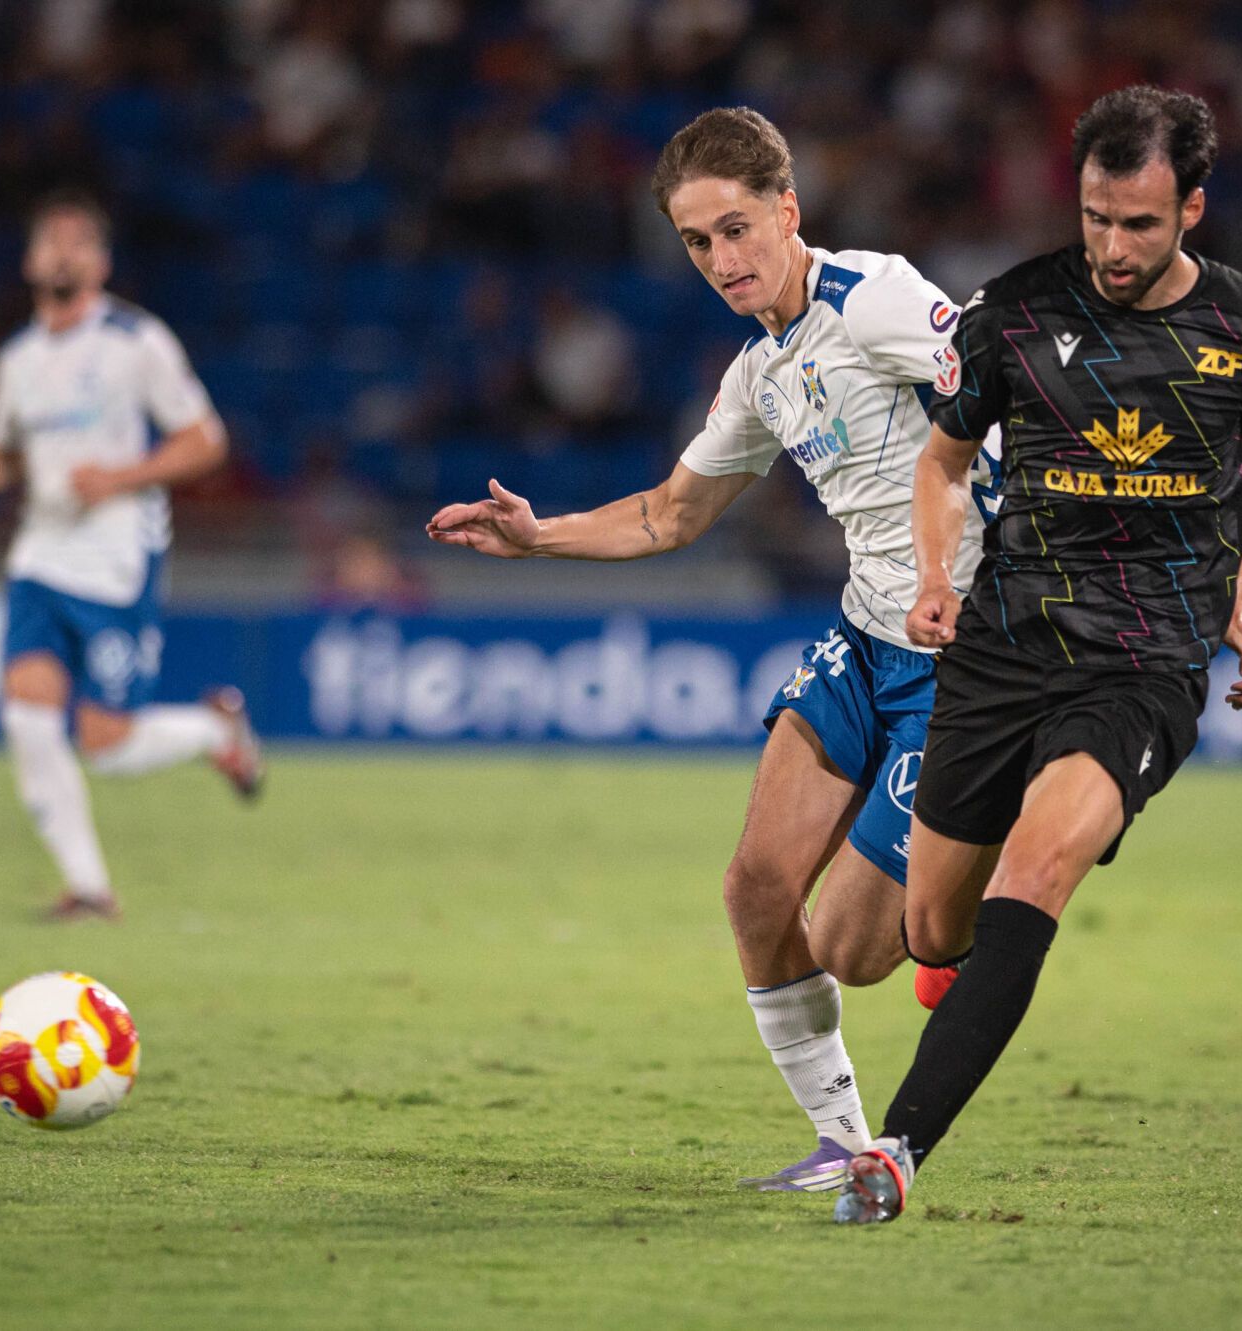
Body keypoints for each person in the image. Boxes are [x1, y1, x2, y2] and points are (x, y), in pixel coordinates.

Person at [427, 108, 1002, 1192]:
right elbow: (669, 514)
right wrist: (538, 533)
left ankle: (967, 880)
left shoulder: (872, 297)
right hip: (865, 638)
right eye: (697, 243)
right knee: (753, 888)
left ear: (788, 211)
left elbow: (1001, 392)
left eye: (737, 229)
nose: (721, 260)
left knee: (853, 946)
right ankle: (841, 1142)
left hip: (965, 654)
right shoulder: (759, 374)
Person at [834, 86, 1242, 1224]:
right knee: (929, 928)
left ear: (1189, 208)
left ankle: (894, 1147)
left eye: (1137, 223)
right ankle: (959, 963)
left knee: (1031, 874)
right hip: (1001, 648)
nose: (1110, 245)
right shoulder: (1010, 314)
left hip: (1141, 665)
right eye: (1095, 215)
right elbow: (943, 462)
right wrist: (938, 578)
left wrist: (1236, 601)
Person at [0, 190, 263, 921]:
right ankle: (89, 888)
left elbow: (206, 440)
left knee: (106, 744)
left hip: (115, 558)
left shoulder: (137, 342)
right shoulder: (17, 357)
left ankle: (214, 730)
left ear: (101, 263)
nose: (64, 252)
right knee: (27, 720)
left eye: (79, 242)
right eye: (51, 241)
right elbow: (6, 457)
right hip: (40, 553)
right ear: (30, 261)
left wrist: (121, 478)